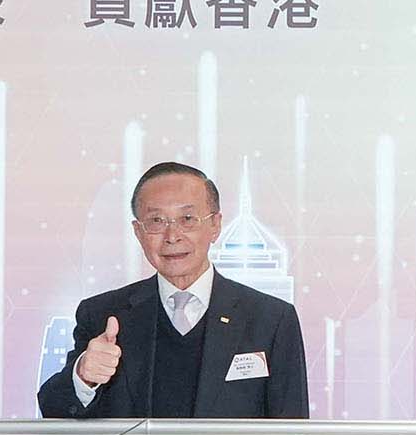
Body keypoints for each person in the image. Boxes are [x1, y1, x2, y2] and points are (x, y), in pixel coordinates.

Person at [37, 160, 309, 420]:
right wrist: (84, 376)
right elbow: (55, 410)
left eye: (187, 218)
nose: (172, 236)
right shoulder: (102, 315)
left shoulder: (270, 319)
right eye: (156, 221)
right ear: (138, 232)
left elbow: (291, 433)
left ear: (215, 225)